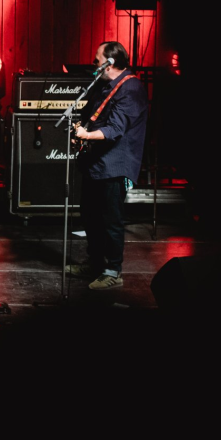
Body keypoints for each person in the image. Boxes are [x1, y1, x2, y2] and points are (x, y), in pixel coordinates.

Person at [68, 41, 149, 290]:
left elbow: (115, 129)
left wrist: (87, 136)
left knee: (110, 220)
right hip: (97, 162)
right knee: (90, 216)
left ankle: (113, 271)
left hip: (116, 164)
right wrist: (81, 132)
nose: (93, 64)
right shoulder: (104, 86)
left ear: (109, 62)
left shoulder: (131, 87)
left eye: (96, 60)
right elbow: (94, 117)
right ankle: (95, 263)